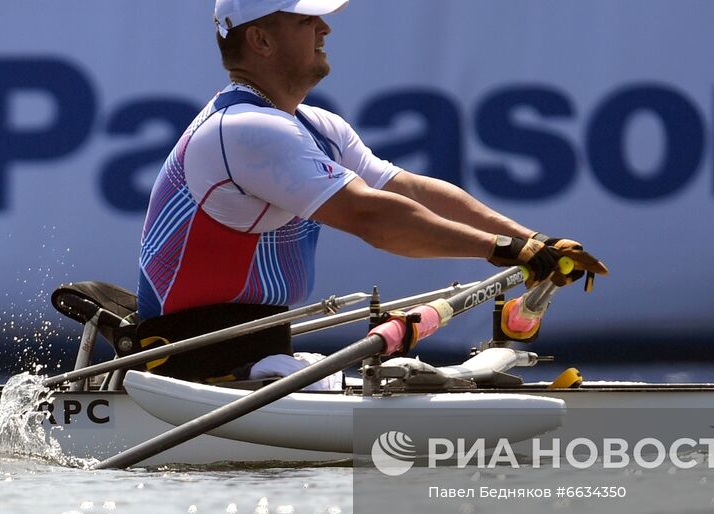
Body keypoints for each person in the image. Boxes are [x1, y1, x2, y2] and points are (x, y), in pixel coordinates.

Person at [135, 0, 607, 383]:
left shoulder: (315, 125)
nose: (325, 28)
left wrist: (534, 241)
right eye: (305, 20)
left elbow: (411, 191)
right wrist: (503, 250)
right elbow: (373, 218)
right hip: (187, 365)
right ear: (260, 39)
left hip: (253, 357)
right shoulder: (245, 129)